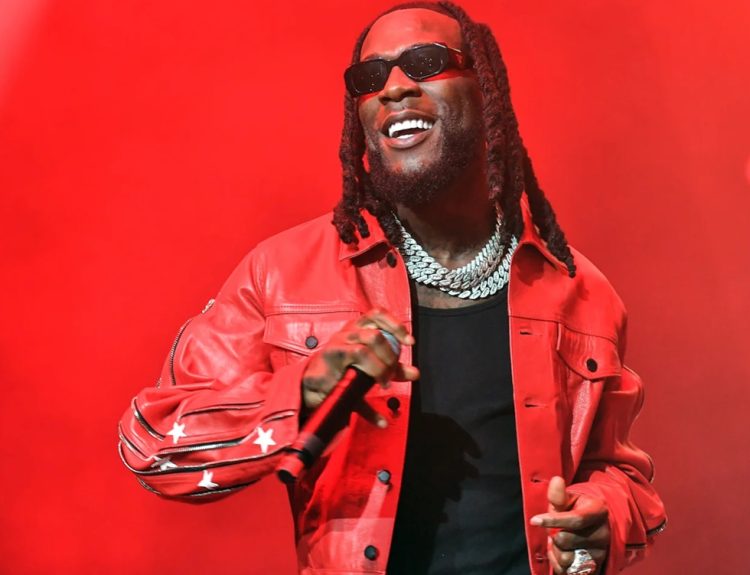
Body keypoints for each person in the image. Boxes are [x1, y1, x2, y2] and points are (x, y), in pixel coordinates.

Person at [118, 2, 666, 574]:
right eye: (370, 77)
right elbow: (153, 445)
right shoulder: (281, 272)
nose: (394, 87)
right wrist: (303, 392)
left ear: (485, 90)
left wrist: (601, 517)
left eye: (425, 62)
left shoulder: (580, 293)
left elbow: (617, 471)